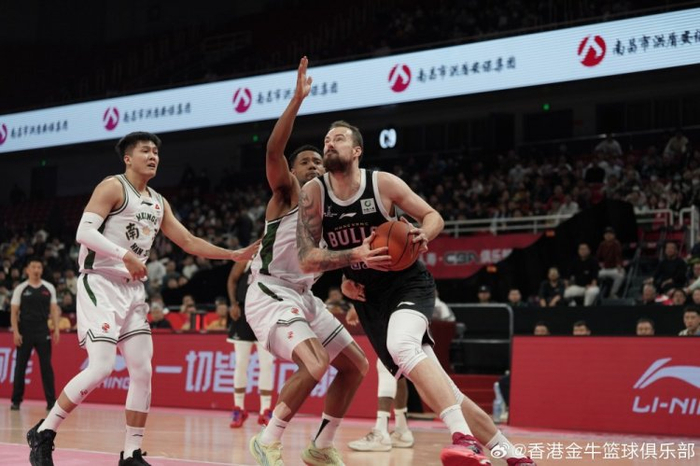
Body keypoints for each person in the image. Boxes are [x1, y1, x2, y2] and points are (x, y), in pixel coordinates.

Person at [297, 119, 534, 465]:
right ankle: (514, 457)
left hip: (407, 284)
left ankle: (464, 439)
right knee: (447, 391)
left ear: (357, 150)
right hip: (369, 299)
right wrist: (348, 269)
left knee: (402, 345)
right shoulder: (315, 193)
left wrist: (425, 233)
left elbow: (433, 215)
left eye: (339, 139)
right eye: (326, 139)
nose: (329, 143)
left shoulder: (382, 184)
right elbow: (307, 259)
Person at [26, 131, 259, 466]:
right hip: (100, 283)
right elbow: (83, 233)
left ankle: (131, 452)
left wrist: (232, 254)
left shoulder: (158, 202)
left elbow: (188, 241)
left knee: (142, 371)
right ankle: (44, 432)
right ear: (128, 158)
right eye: (145, 151)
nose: (153, 156)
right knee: (102, 367)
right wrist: (124, 255)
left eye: (156, 152)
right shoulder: (113, 187)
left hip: (132, 291)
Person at [246, 58, 368, 466]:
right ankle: (267, 440)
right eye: (306, 163)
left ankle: (320, 446)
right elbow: (273, 150)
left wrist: (348, 284)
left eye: (319, 161)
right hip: (270, 290)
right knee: (315, 364)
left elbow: (339, 252)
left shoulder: (332, 204)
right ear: (293, 172)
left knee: (356, 365)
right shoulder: (288, 193)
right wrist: (297, 100)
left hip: (304, 295)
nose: (315, 166)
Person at [345, 307, 414, 452]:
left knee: (386, 362)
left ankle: (381, 432)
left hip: (401, 306)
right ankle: (402, 431)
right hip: (412, 308)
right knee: (396, 365)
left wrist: (357, 306)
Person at [226, 260, 274, 429]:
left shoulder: (276, 258)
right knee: (241, 363)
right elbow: (232, 280)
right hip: (243, 314)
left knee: (267, 364)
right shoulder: (247, 258)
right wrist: (233, 304)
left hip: (265, 315)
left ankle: (265, 410)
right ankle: (238, 408)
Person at [10, 258, 60, 411]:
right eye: (33, 267)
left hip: (42, 331)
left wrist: (56, 329)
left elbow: (54, 310)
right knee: (20, 367)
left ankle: (51, 402)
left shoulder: (49, 288)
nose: (36, 270)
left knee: (46, 367)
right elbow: (14, 313)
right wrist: (16, 332)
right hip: (25, 331)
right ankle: (16, 401)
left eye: (39, 267)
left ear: (42, 270)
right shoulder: (21, 288)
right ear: (28, 270)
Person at [596, 227, 625, 298]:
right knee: (594, 274)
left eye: (610, 234)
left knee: (620, 275)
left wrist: (619, 266)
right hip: (605, 269)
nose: (608, 236)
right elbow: (598, 257)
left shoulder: (616, 244)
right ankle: (597, 294)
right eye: (606, 234)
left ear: (613, 235)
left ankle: (612, 293)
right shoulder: (602, 244)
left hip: (614, 269)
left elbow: (618, 256)